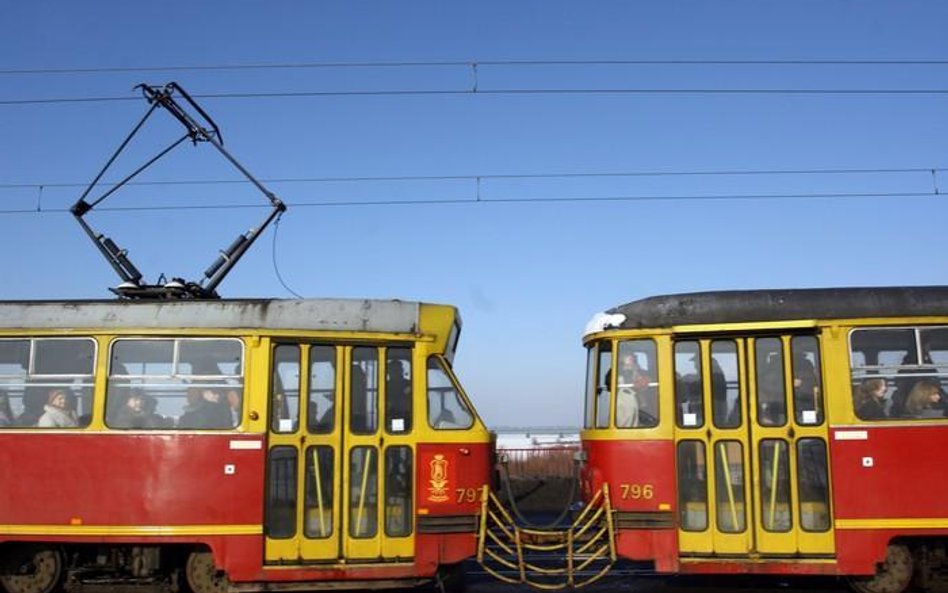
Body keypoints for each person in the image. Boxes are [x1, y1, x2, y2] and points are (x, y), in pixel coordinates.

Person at [616, 353, 650, 427]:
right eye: (626, 366)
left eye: (631, 365)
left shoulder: (643, 375)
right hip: (624, 402)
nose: (628, 369)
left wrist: (639, 377)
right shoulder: (616, 376)